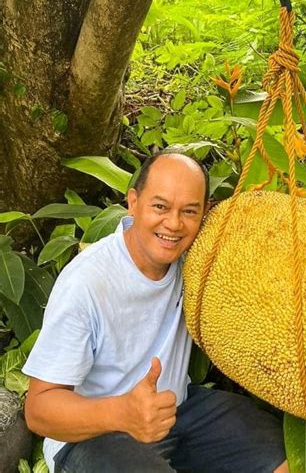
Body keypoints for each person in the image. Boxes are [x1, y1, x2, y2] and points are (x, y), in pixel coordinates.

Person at [23, 152, 289, 473]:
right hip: (97, 433)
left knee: (280, 455)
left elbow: (276, 258)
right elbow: (38, 409)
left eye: (188, 211)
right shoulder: (87, 283)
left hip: (178, 408)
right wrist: (122, 413)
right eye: (160, 207)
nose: (174, 224)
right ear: (133, 203)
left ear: (204, 213)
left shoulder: (195, 257)